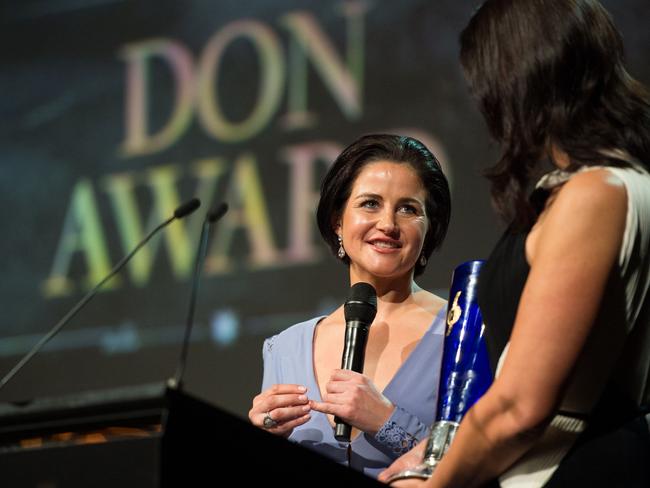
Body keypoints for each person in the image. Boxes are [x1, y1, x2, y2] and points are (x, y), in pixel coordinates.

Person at [379, 0, 650, 486]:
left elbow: (518, 407)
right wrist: (429, 454)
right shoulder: (605, 185)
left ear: (517, 79)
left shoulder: (596, 193)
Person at [248, 134, 452, 479]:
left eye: (408, 209)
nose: (388, 224)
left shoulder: (460, 332)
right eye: (370, 203)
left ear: (429, 232)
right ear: (337, 222)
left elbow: (483, 459)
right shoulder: (283, 348)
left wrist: (387, 421)